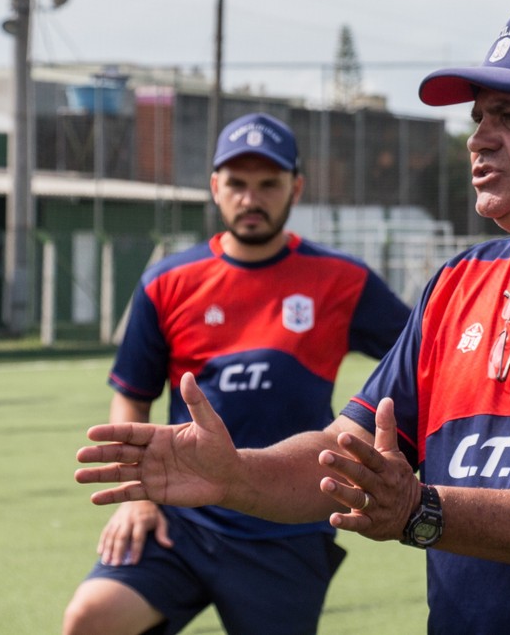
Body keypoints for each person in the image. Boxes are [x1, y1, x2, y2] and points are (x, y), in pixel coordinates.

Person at [75, 10, 510, 633]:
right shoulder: (461, 281)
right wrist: (237, 476)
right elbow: (346, 453)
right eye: (478, 118)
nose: (479, 139)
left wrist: (424, 512)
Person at [63, 112, 411, 635]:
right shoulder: (167, 281)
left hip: (284, 528)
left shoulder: (343, 280)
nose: (251, 198)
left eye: (268, 184)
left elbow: (421, 358)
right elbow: (132, 396)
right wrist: (139, 501)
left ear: (295, 188)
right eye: (237, 184)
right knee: (90, 619)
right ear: (215, 188)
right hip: (184, 518)